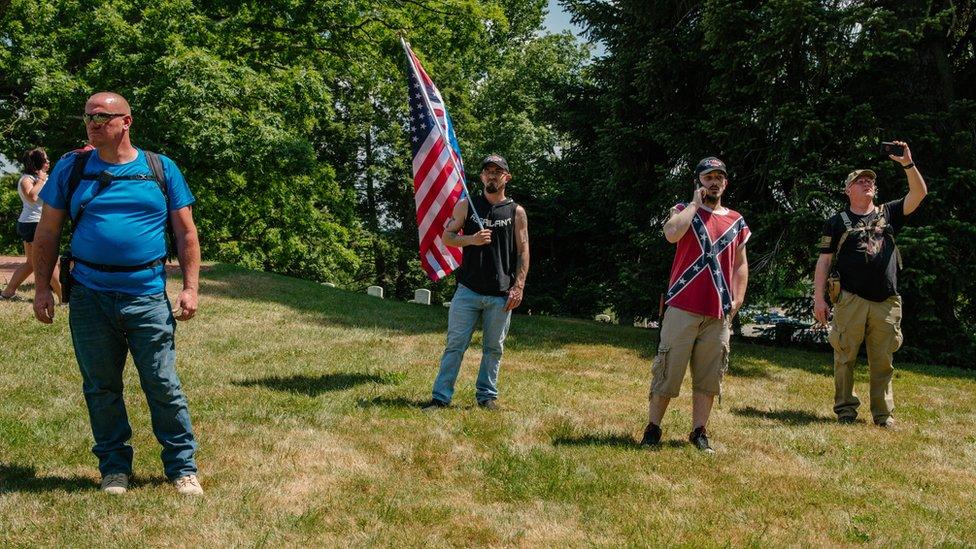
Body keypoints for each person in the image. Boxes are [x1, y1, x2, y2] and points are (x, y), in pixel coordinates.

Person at [31, 92, 204, 495]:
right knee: (101, 386)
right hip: (90, 296)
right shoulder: (71, 168)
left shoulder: (161, 168)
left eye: (102, 117)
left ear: (126, 122)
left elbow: (186, 232)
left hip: (146, 296)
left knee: (162, 383)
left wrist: (190, 288)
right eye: (88, 116)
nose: (92, 123)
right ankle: (114, 468)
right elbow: (48, 231)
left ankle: (182, 468)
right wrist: (41, 287)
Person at [813, 140, 927, 428]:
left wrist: (907, 164)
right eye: (860, 181)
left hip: (887, 300)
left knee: (883, 362)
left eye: (870, 181)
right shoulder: (836, 221)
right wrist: (819, 298)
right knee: (845, 357)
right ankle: (846, 411)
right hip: (850, 299)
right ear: (848, 190)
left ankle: (883, 415)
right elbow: (824, 262)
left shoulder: (889, 213)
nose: (867, 184)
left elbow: (919, 193)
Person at [641, 157, 750, 452]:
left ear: (725, 183)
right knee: (668, 371)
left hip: (718, 313)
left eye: (719, 177)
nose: (713, 182)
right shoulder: (682, 211)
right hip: (682, 307)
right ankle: (653, 428)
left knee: (708, 377)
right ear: (698, 182)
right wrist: (693, 205)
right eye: (707, 177)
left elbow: (740, 264)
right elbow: (671, 234)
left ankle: (699, 431)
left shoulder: (736, 220)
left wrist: (737, 300)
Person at [423, 154, 529, 411]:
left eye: (497, 171)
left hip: (501, 294)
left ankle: (487, 397)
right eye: (487, 171)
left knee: (493, 349)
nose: (492, 175)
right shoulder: (466, 205)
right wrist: (471, 239)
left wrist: (519, 286)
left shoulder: (516, 212)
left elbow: (523, 250)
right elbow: (447, 237)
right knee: (455, 346)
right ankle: (441, 397)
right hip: (467, 290)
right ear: (481, 176)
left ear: (507, 177)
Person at [1, 148, 62, 301]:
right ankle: (64, 298)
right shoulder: (27, 179)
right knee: (49, 261)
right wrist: (41, 179)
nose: (48, 162)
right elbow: (33, 197)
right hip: (33, 224)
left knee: (30, 263)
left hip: (36, 223)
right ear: (37, 163)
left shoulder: (44, 178)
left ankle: (7, 293)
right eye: (45, 159)